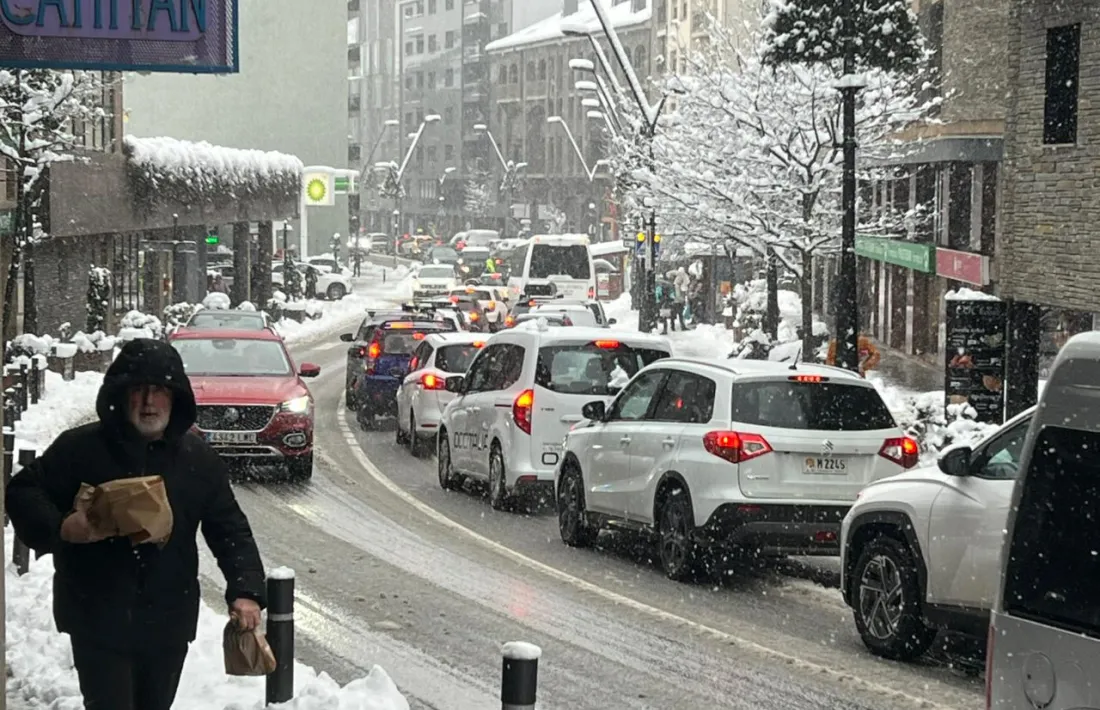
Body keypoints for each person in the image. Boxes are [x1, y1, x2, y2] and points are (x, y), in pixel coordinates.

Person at [6, 339, 266, 710]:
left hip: (168, 623)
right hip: (96, 619)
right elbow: (23, 491)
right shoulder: (80, 449)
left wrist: (246, 590)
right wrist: (62, 527)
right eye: (138, 391)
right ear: (120, 395)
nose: (148, 403)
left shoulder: (198, 460)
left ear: (176, 397)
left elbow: (229, 528)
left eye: (158, 391)